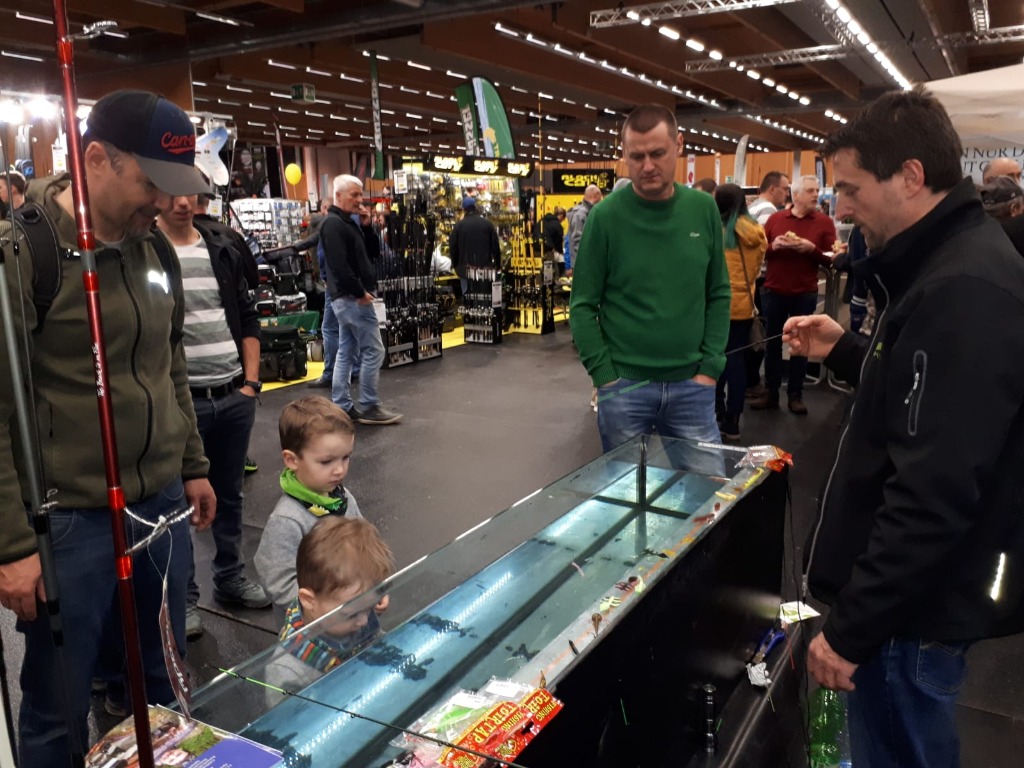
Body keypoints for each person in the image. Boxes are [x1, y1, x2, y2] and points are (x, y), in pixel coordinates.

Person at [784, 87, 1024, 768]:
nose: (841, 208)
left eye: (852, 189)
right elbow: (927, 399)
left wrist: (853, 630)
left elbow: (933, 492)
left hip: (910, 617)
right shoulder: (947, 265)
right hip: (912, 607)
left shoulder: (963, 289)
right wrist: (847, 350)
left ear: (911, 176)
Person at [0, 89, 216, 766]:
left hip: (160, 508)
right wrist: (12, 546)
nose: (167, 201)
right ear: (97, 159)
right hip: (72, 522)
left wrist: (192, 463)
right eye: (151, 182)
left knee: (164, 688)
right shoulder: (24, 254)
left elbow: (168, 364)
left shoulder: (155, 252)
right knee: (58, 711)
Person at [569, 103, 730, 473]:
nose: (647, 166)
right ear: (623, 155)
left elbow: (718, 292)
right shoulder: (605, 217)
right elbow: (582, 304)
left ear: (679, 145)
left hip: (693, 386)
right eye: (636, 156)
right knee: (626, 496)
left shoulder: (703, 209)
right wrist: (604, 375)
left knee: (709, 492)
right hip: (624, 388)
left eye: (657, 153)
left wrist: (710, 367)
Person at [156, 193, 270, 640]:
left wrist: (251, 383)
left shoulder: (220, 247)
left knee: (230, 495)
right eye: (172, 193)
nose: (183, 202)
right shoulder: (147, 252)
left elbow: (247, 316)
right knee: (179, 503)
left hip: (233, 394)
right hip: (181, 401)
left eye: (192, 193)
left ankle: (229, 578)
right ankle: (183, 598)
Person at [255, 395, 364, 625]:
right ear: (291, 460)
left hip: (351, 615)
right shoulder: (288, 520)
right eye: (326, 461)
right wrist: (324, 609)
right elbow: (278, 581)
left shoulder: (343, 499)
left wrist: (374, 587)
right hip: (310, 629)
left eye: (345, 458)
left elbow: (365, 548)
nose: (339, 470)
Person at [262, 515, 392, 701]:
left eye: (369, 608)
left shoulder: (353, 617)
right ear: (309, 600)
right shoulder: (287, 671)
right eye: (351, 614)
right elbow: (292, 718)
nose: (364, 621)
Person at [750, 174, 836, 415]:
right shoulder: (776, 219)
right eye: (810, 190)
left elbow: (832, 259)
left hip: (804, 293)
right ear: (795, 195)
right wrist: (773, 247)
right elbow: (759, 251)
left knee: (801, 344)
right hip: (774, 290)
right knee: (772, 344)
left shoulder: (824, 223)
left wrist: (812, 249)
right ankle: (771, 392)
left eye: (817, 190)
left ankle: (796, 395)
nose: (816, 194)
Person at [322, 174, 402, 425]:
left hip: (349, 297)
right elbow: (339, 265)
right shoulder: (333, 224)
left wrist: (367, 227)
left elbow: (373, 253)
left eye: (360, 194)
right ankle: (369, 405)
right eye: (354, 195)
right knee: (374, 350)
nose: (360, 200)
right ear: (338, 196)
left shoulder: (349, 222)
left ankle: (342, 405)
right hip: (352, 299)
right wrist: (359, 292)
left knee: (347, 350)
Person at [713, 184, 767, 441]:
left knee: (715, 358)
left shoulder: (718, 230)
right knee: (736, 360)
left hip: (718, 304)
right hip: (745, 304)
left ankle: (717, 411)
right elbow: (756, 270)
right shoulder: (757, 231)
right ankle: (733, 421)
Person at [744, 171, 791, 399]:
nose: (787, 194)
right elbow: (761, 248)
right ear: (773, 188)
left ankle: (749, 380)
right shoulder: (768, 211)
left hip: (748, 279)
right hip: (760, 279)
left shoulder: (752, 207)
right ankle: (752, 381)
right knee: (759, 333)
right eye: (785, 188)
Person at [449, 196, 500, 297]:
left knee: (468, 297)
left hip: (465, 269)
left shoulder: (458, 226)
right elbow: (495, 247)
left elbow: (453, 248)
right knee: (484, 297)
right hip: (484, 269)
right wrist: (497, 265)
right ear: (475, 207)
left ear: (464, 209)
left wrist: (456, 265)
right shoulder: (487, 224)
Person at [566, 184, 603, 274]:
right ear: (596, 196)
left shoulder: (586, 212)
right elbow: (578, 241)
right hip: (583, 266)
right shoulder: (581, 214)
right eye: (601, 198)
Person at [535, 206, 565, 277]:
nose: (563, 220)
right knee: (551, 270)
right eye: (563, 218)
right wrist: (560, 251)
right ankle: (549, 282)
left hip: (536, 248)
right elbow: (558, 242)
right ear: (561, 215)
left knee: (542, 269)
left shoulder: (542, 220)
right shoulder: (557, 225)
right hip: (547, 249)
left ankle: (541, 281)